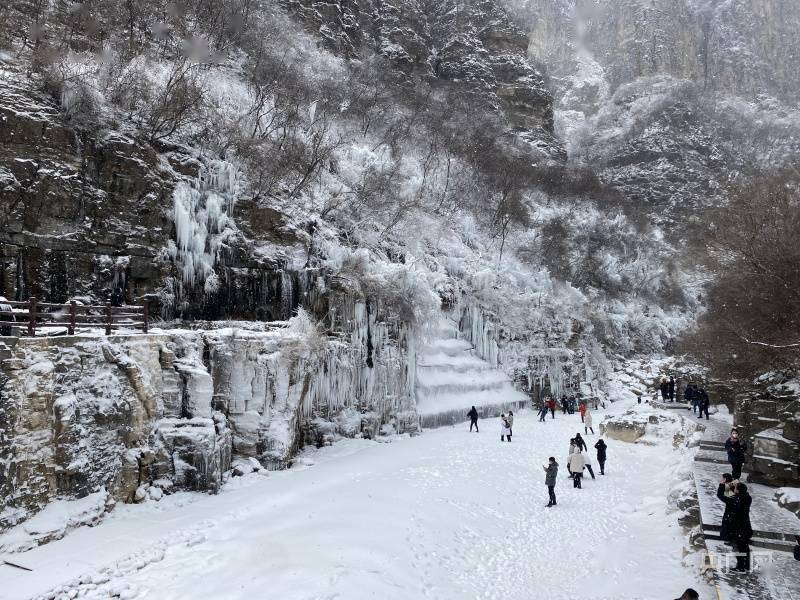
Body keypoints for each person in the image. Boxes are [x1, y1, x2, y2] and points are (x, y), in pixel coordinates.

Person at [717, 480, 752, 571]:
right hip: (745, 526)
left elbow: (720, 495)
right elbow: (733, 493)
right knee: (745, 547)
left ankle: (740, 567)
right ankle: (747, 566)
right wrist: (732, 485)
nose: (734, 489)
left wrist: (722, 485)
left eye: (735, 488)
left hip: (737, 527)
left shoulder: (735, 500)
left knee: (738, 547)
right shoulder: (747, 498)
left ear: (738, 491)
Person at [719, 473, 737, 543]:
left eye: (722, 478)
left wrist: (721, 485)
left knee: (728, 522)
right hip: (734, 509)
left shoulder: (730, 486)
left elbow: (722, 496)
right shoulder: (732, 484)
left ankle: (727, 537)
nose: (721, 479)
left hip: (732, 510)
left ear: (725, 479)